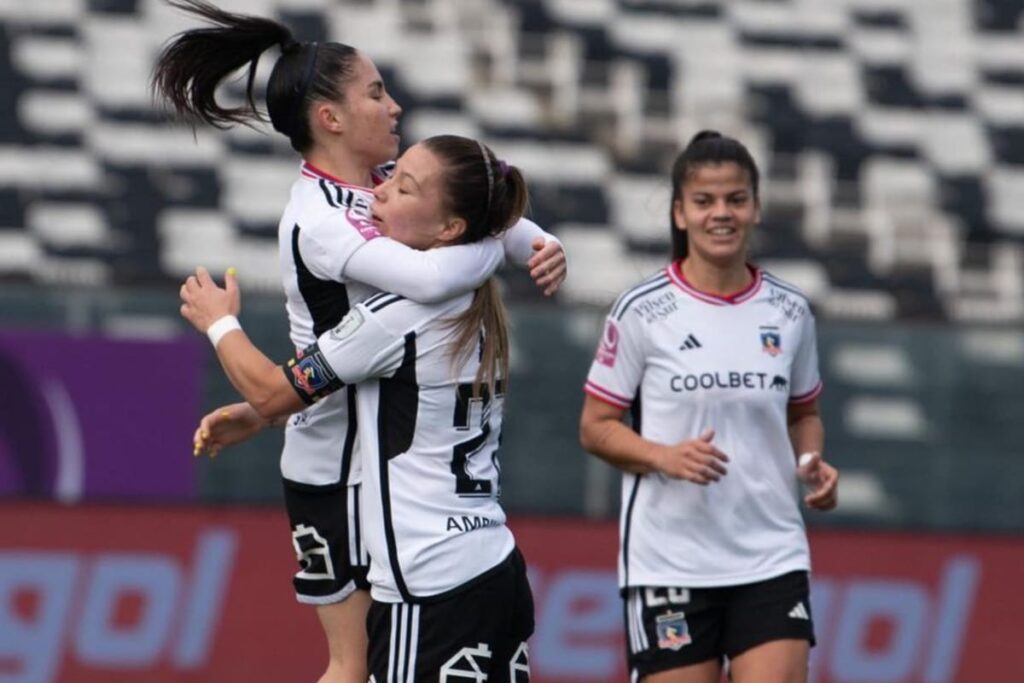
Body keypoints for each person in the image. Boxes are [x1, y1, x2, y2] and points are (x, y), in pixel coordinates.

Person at [151, 3, 564, 682]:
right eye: (376, 92)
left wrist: (531, 238)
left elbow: (478, 196)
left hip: (389, 451)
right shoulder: (322, 219)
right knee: (353, 665)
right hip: (337, 462)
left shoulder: (384, 186)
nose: (395, 105)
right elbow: (432, 273)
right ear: (331, 118)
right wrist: (508, 242)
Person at [181, 134, 534, 681]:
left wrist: (218, 321)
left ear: (449, 229)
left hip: (432, 584)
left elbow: (272, 387)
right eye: (391, 177)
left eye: (404, 187)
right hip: (493, 566)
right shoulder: (479, 298)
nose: (380, 193)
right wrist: (264, 416)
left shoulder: (397, 316)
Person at [578, 131, 839, 683]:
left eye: (735, 199)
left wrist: (811, 463)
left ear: (756, 207)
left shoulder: (790, 311)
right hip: (669, 561)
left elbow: (804, 414)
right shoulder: (643, 311)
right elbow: (595, 428)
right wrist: (661, 456)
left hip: (771, 555)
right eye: (704, 201)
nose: (721, 213)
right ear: (680, 213)